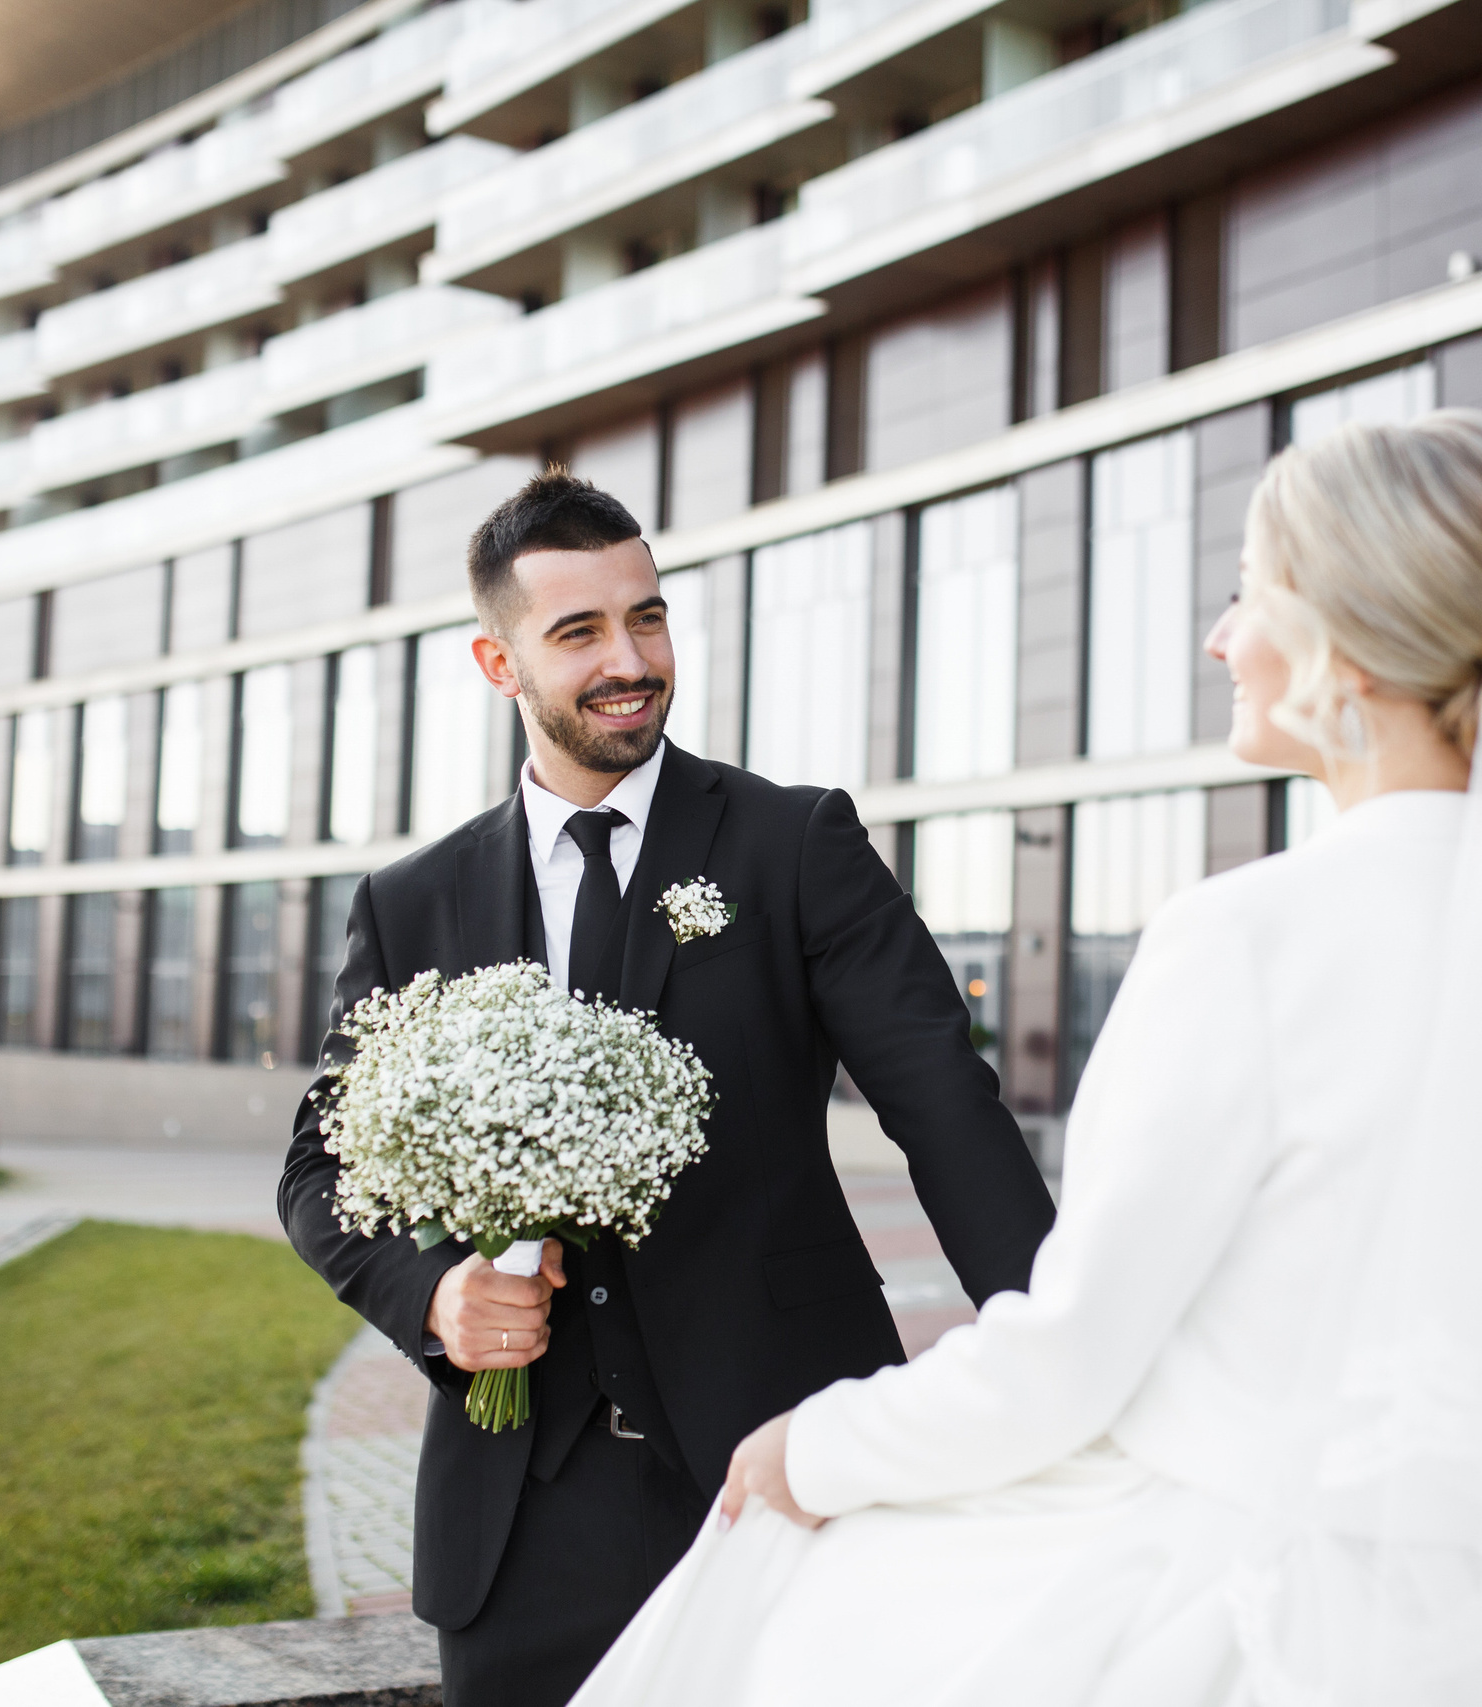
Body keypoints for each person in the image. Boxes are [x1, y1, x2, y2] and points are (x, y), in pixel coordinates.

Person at [568, 411, 1482, 1707]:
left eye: (1248, 594)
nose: (1221, 637)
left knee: (766, 1596)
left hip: (1274, 1585)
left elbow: (1074, 1358)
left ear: (1347, 645)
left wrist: (819, 1443)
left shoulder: (1249, 934)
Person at [278, 471, 1057, 1707]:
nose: (628, 659)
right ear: (499, 663)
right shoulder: (411, 901)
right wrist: (436, 1298)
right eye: (578, 632)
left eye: (647, 618)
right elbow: (320, 1175)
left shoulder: (793, 844)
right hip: (519, 1522)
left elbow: (942, 1103)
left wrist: (1050, 1354)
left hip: (781, 1476)